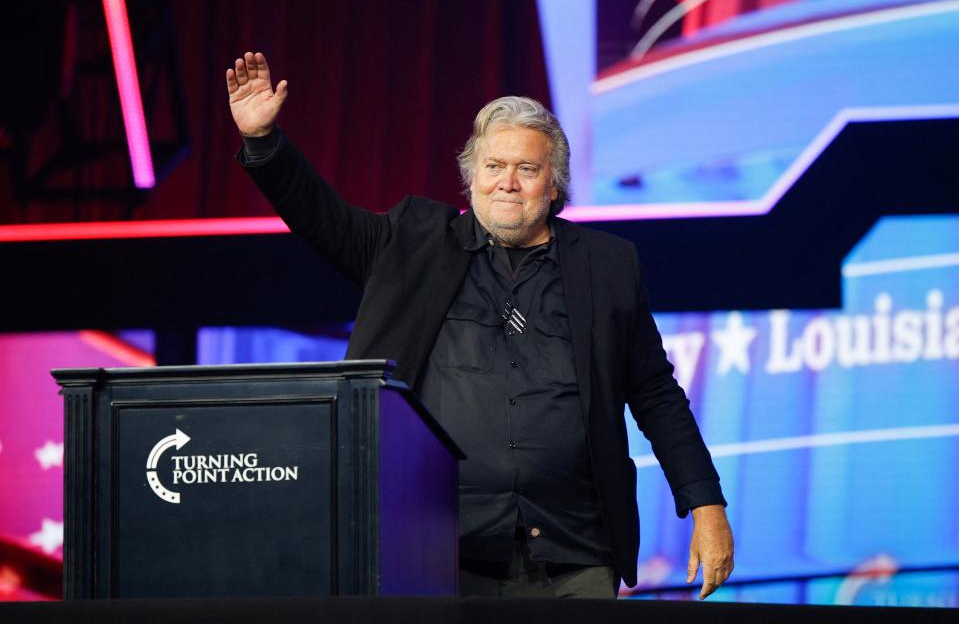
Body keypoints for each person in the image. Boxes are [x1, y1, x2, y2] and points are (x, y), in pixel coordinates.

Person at [226, 51, 734, 599]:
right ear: (471, 179)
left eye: (527, 169)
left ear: (554, 185)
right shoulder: (411, 244)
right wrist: (265, 143)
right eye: (494, 166)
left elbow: (656, 393)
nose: (507, 183)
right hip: (437, 547)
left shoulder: (608, 265)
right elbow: (319, 216)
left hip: (576, 551)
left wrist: (706, 503)